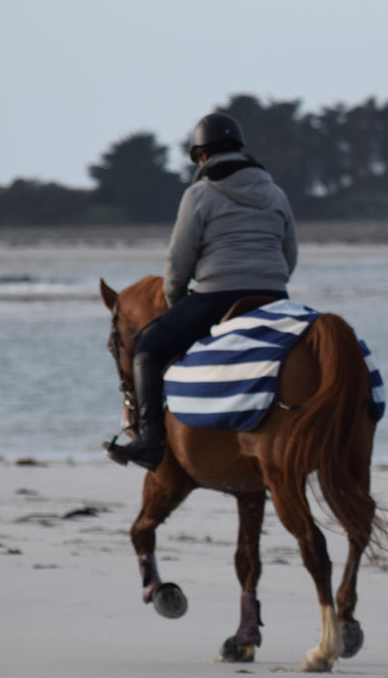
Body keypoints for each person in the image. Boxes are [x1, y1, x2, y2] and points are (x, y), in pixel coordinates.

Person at [105, 112, 299, 469]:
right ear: (239, 150)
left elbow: (178, 263)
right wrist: (271, 283)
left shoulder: (200, 194)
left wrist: (177, 302)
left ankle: (150, 442)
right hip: (274, 297)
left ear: (202, 156)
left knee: (147, 350)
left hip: (218, 297)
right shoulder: (276, 193)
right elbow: (290, 254)